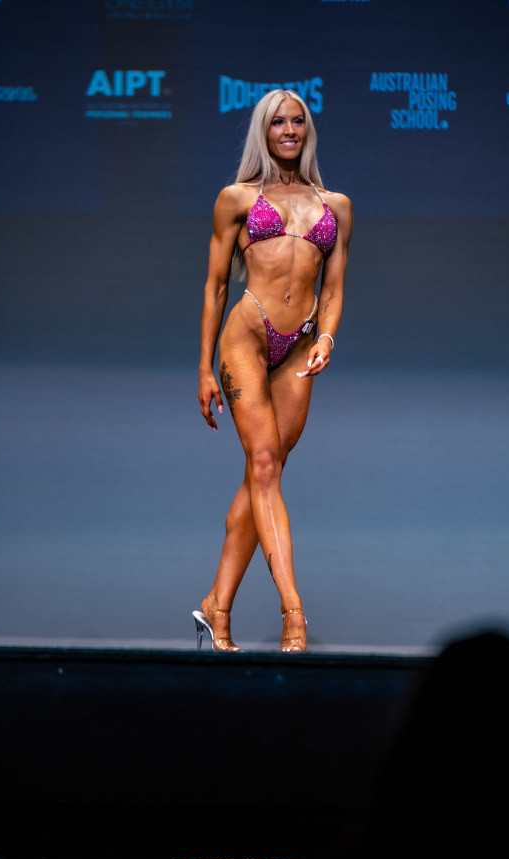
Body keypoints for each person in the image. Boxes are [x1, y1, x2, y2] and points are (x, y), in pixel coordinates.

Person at [194, 89, 353, 652]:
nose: (288, 130)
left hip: (301, 346)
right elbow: (216, 287)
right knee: (263, 465)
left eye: (297, 121)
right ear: (263, 132)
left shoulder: (336, 206)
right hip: (247, 336)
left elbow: (333, 290)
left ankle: (217, 605)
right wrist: (204, 368)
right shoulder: (236, 199)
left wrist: (326, 337)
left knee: (263, 473)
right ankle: (294, 613)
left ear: (308, 130)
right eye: (277, 122)